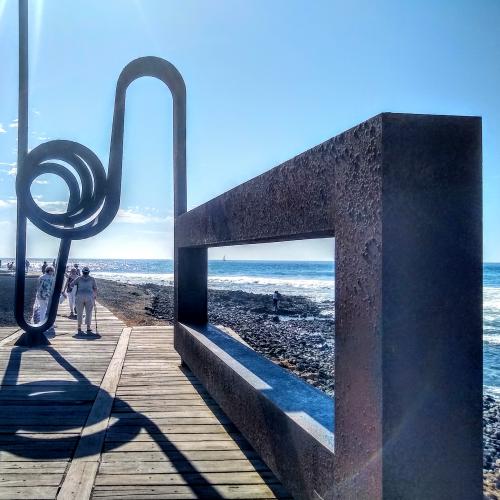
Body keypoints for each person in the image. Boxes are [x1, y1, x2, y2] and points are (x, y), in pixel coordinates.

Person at [73, 266, 97, 333]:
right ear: (88, 272)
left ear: (82, 272)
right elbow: (95, 288)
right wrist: (95, 295)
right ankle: (88, 327)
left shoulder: (79, 278)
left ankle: (79, 326)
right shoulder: (92, 279)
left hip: (79, 296)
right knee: (89, 312)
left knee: (79, 312)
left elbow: (72, 284)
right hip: (89, 297)